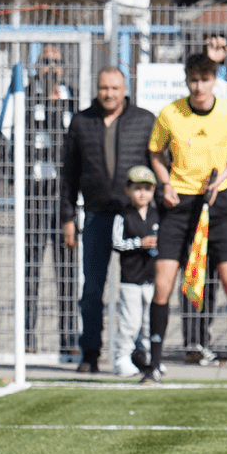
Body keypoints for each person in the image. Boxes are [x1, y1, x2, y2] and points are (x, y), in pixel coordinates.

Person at [144, 51, 227, 384]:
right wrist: (165, 183)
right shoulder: (170, 114)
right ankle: (153, 365)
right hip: (178, 205)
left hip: (217, 204)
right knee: (164, 282)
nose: (199, 87)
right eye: (193, 79)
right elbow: (155, 152)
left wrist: (222, 175)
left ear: (215, 81)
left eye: (205, 79)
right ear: (187, 80)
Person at [59, 67, 155, 373]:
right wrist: (68, 218)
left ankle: (139, 353)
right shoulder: (81, 121)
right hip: (97, 216)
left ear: (124, 89)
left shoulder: (144, 120)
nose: (109, 93)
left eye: (115, 88)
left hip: (134, 218)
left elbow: (157, 165)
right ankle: (90, 353)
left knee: (139, 289)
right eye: (104, 88)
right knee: (92, 289)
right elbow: (68, 175)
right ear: (96, 89)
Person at [25, 44, 76, 356]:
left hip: (66, 198)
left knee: (68, 270)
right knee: (30, 269)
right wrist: (21, 182)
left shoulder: (74, 98)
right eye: (45, 62)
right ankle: (27, 341)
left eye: (56, 63)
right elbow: (1, 143)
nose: (51, 69)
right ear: (36, 66)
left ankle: (69, 342)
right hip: (34, 197)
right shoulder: (23, 97)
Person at [109, 167, 161, 375]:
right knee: (130, 322)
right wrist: (140, 243)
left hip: (151, 280)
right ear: (128, 190)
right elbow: (116, 242)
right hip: (130, 279)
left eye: (147, 189)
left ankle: (148, 358)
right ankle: (121, 358)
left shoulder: (157, 215)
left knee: (149, 322)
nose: (142, 193)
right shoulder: (124, 215)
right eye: (137, 188)